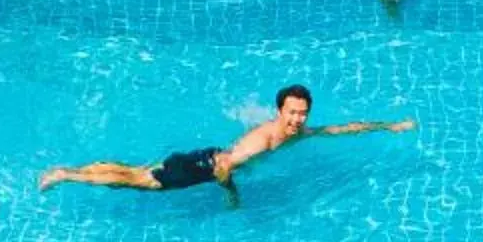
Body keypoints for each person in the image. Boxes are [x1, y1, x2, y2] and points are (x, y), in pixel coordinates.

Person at [37, 86, 411, 201]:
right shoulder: (265, 141)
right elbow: (225, 165)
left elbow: (340, 129)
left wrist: (388, 126)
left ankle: (80, 169)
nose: (299, 119)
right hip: (205, 165)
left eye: (303, 113)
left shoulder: (297, 132)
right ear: (279, 111)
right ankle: (67, 174)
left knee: (136, 171)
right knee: (135, 181)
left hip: (205, 154)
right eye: (292, 113)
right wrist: (232, 194)